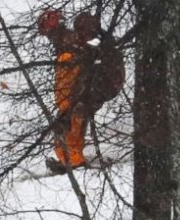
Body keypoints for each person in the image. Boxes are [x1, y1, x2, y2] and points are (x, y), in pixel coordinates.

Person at [37, 10, 124, 174]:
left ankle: (74, 162)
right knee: (72, 118)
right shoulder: (94, 43)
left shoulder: (77, 44)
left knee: (72, 119)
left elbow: (70, 83)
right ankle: (70, 159)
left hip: (87, 88)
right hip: (96, 87)